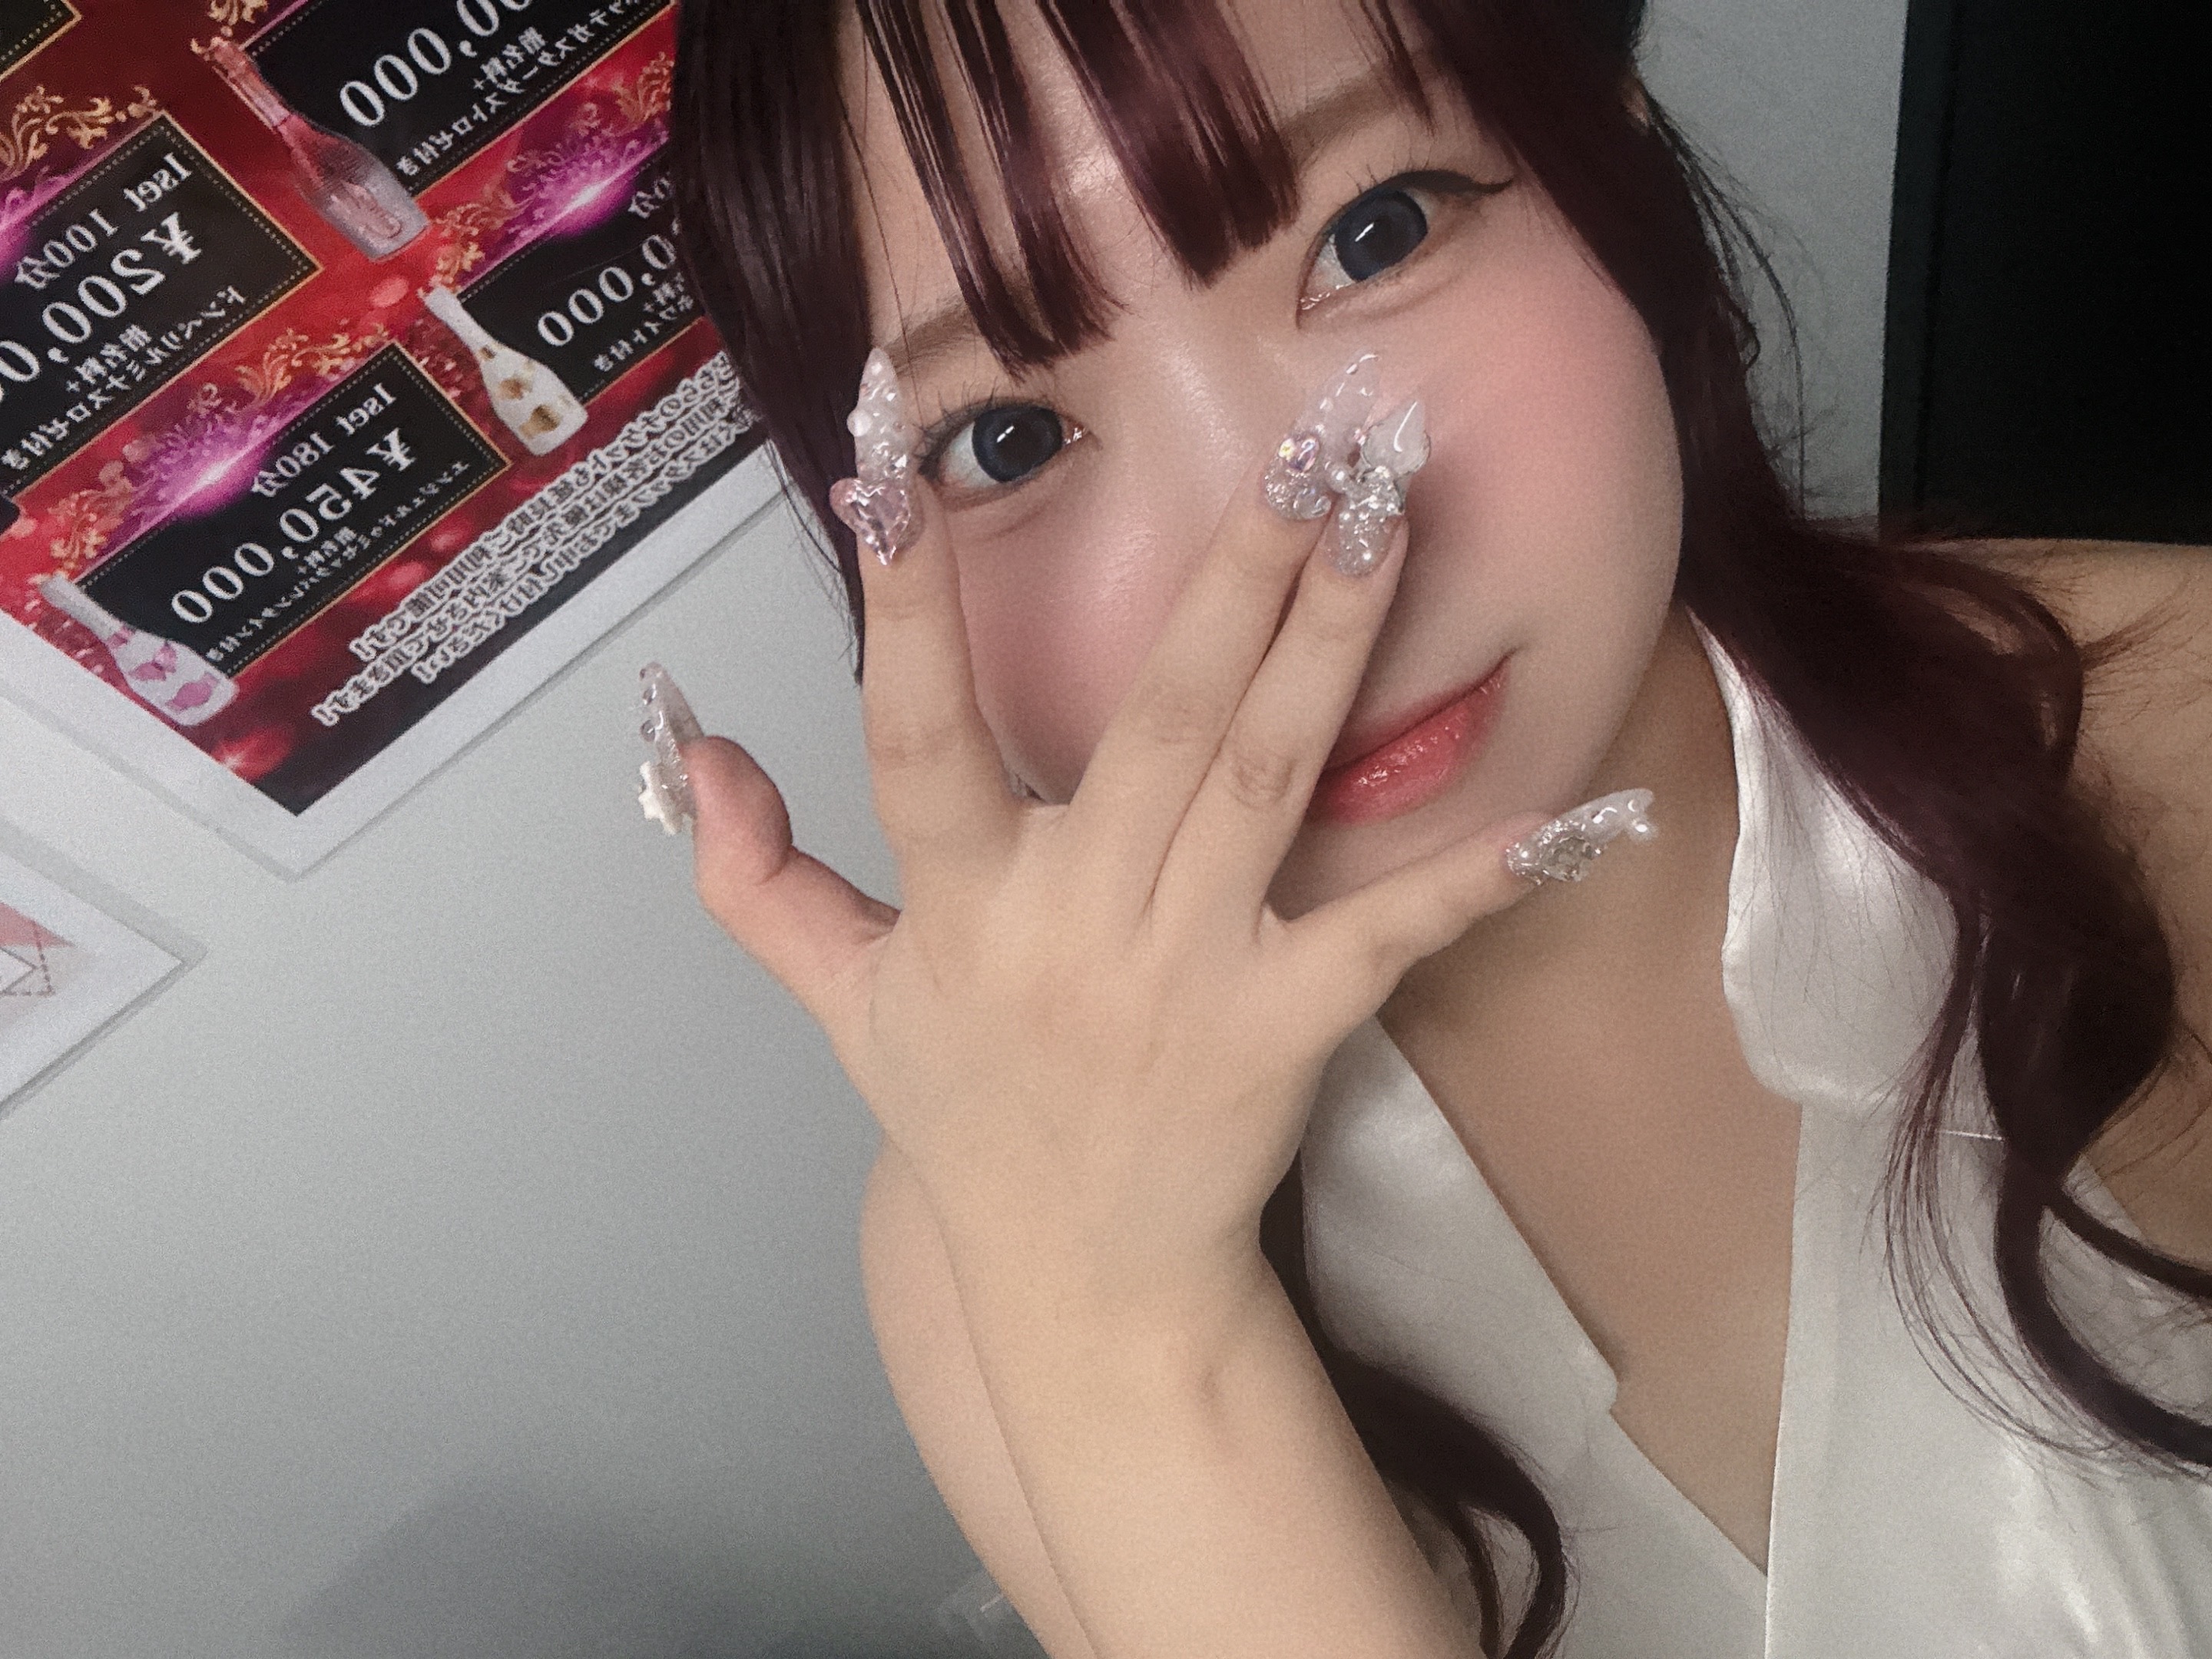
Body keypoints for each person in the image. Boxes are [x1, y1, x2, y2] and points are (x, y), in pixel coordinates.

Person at [653, 1, 2212, 1654]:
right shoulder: (1002, 1232)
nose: (1306, 561)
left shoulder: (2174, 733)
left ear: (1613, 172)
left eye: (1375, 232)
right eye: (1006, 439)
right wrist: (1123, 1323)